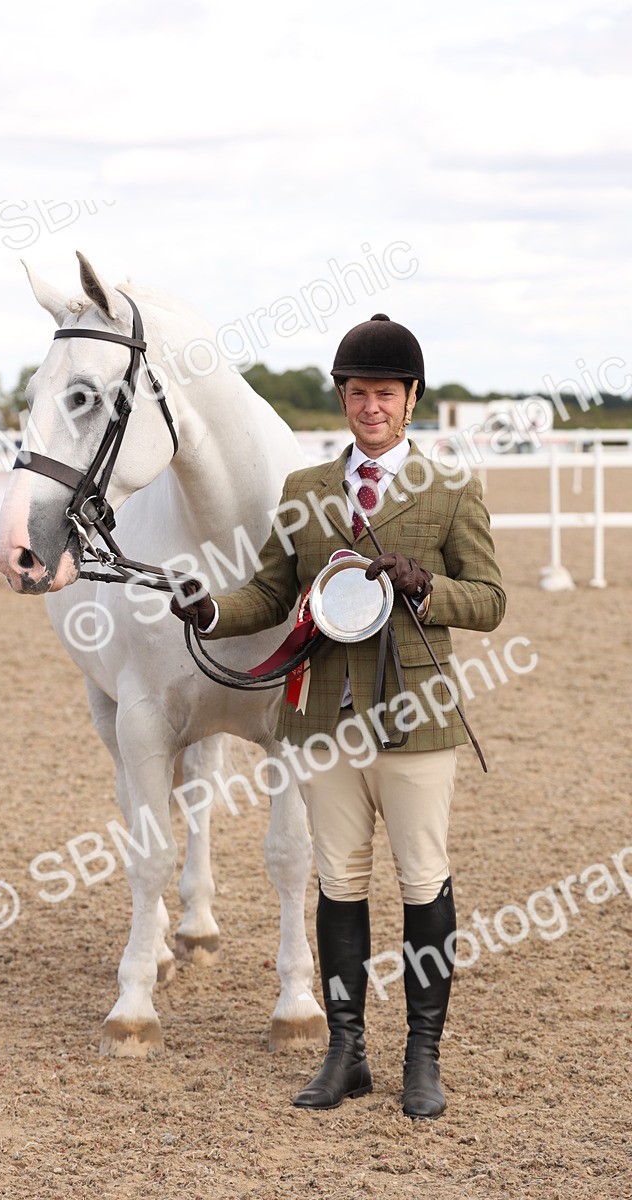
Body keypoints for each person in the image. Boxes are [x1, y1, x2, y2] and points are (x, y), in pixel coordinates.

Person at [170, 313, 506, 1119]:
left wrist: (426, 586)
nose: (371, 407)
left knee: (422, 881)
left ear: (411, 399)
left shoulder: (451, 490)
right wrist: (210, 611)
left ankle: (422, 1056)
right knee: (340, 885)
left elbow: (491, 600)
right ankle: (346, 1051)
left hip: (415, 716)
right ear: (343, 398)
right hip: (323, 717)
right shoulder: (306, 491)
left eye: (385, 394)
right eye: (358, 393)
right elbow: (271, 592)